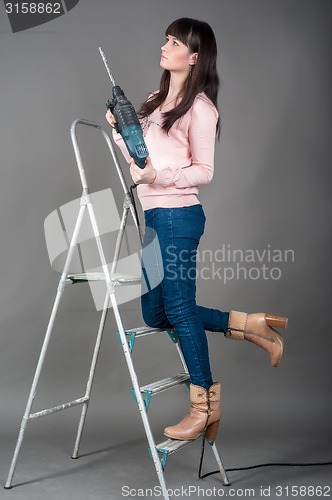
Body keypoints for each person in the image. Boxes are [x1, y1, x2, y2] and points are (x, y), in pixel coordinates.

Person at [106, 17, 288, 442]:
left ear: (195, 56)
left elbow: (203, 171)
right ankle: (249, 324)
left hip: (178, 215)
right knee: (156, 313)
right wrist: (120, 131)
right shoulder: (153, 101)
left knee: (181, 309)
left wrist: (159, 178)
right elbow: (141, 163)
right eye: (166, 39)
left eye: (176, 42)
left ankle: (204, 404)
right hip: (153, 217)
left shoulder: (201, 108)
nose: (166, 47)